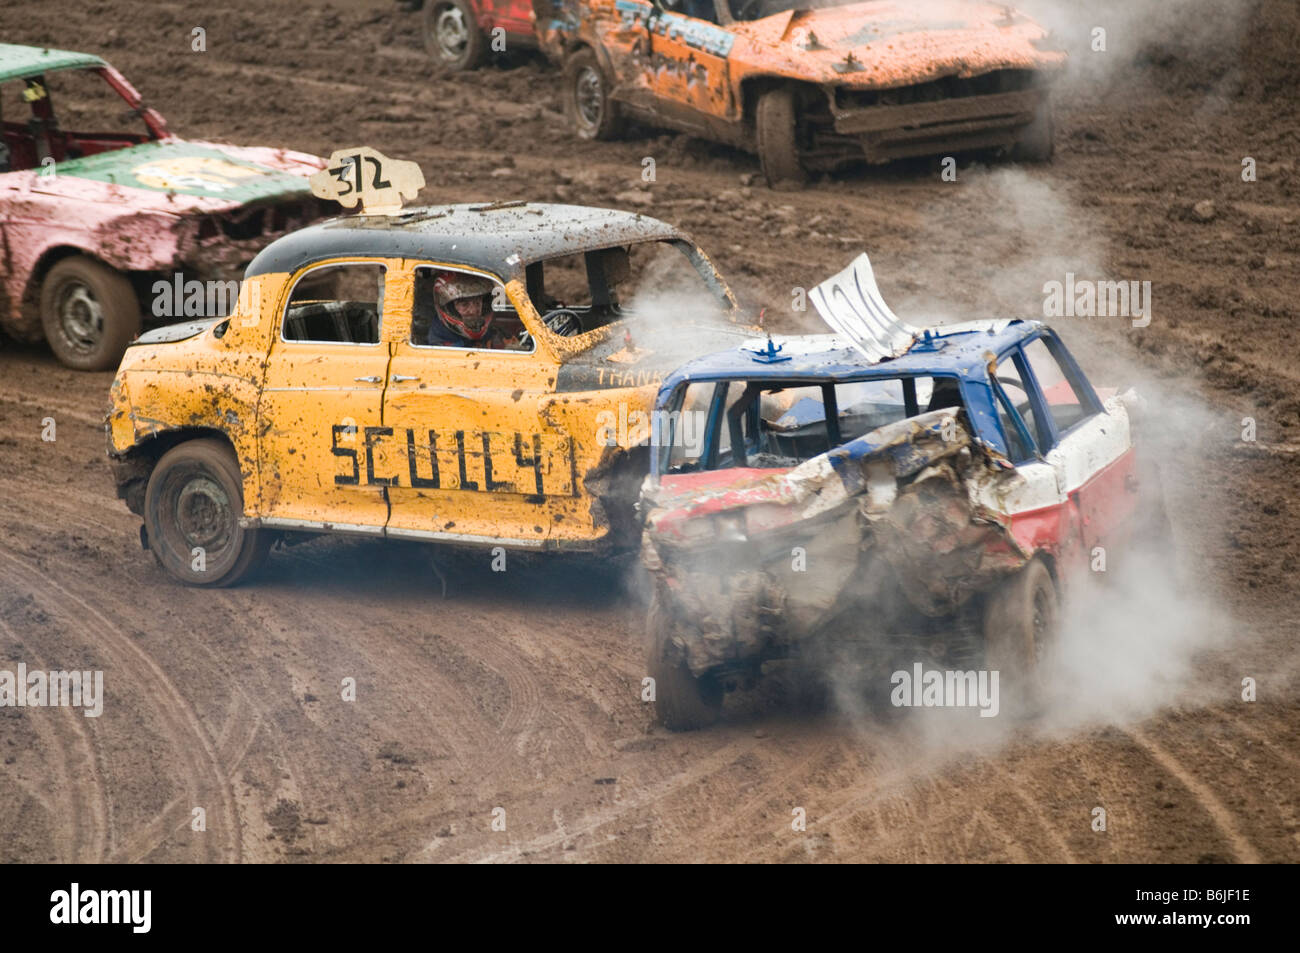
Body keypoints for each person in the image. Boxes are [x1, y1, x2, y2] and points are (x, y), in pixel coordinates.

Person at [421, 271, 499, 347]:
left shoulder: (490, 327)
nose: (473, 310)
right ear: (449, 307)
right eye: (464, 305)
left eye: (477, 303)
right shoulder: (439, 335)